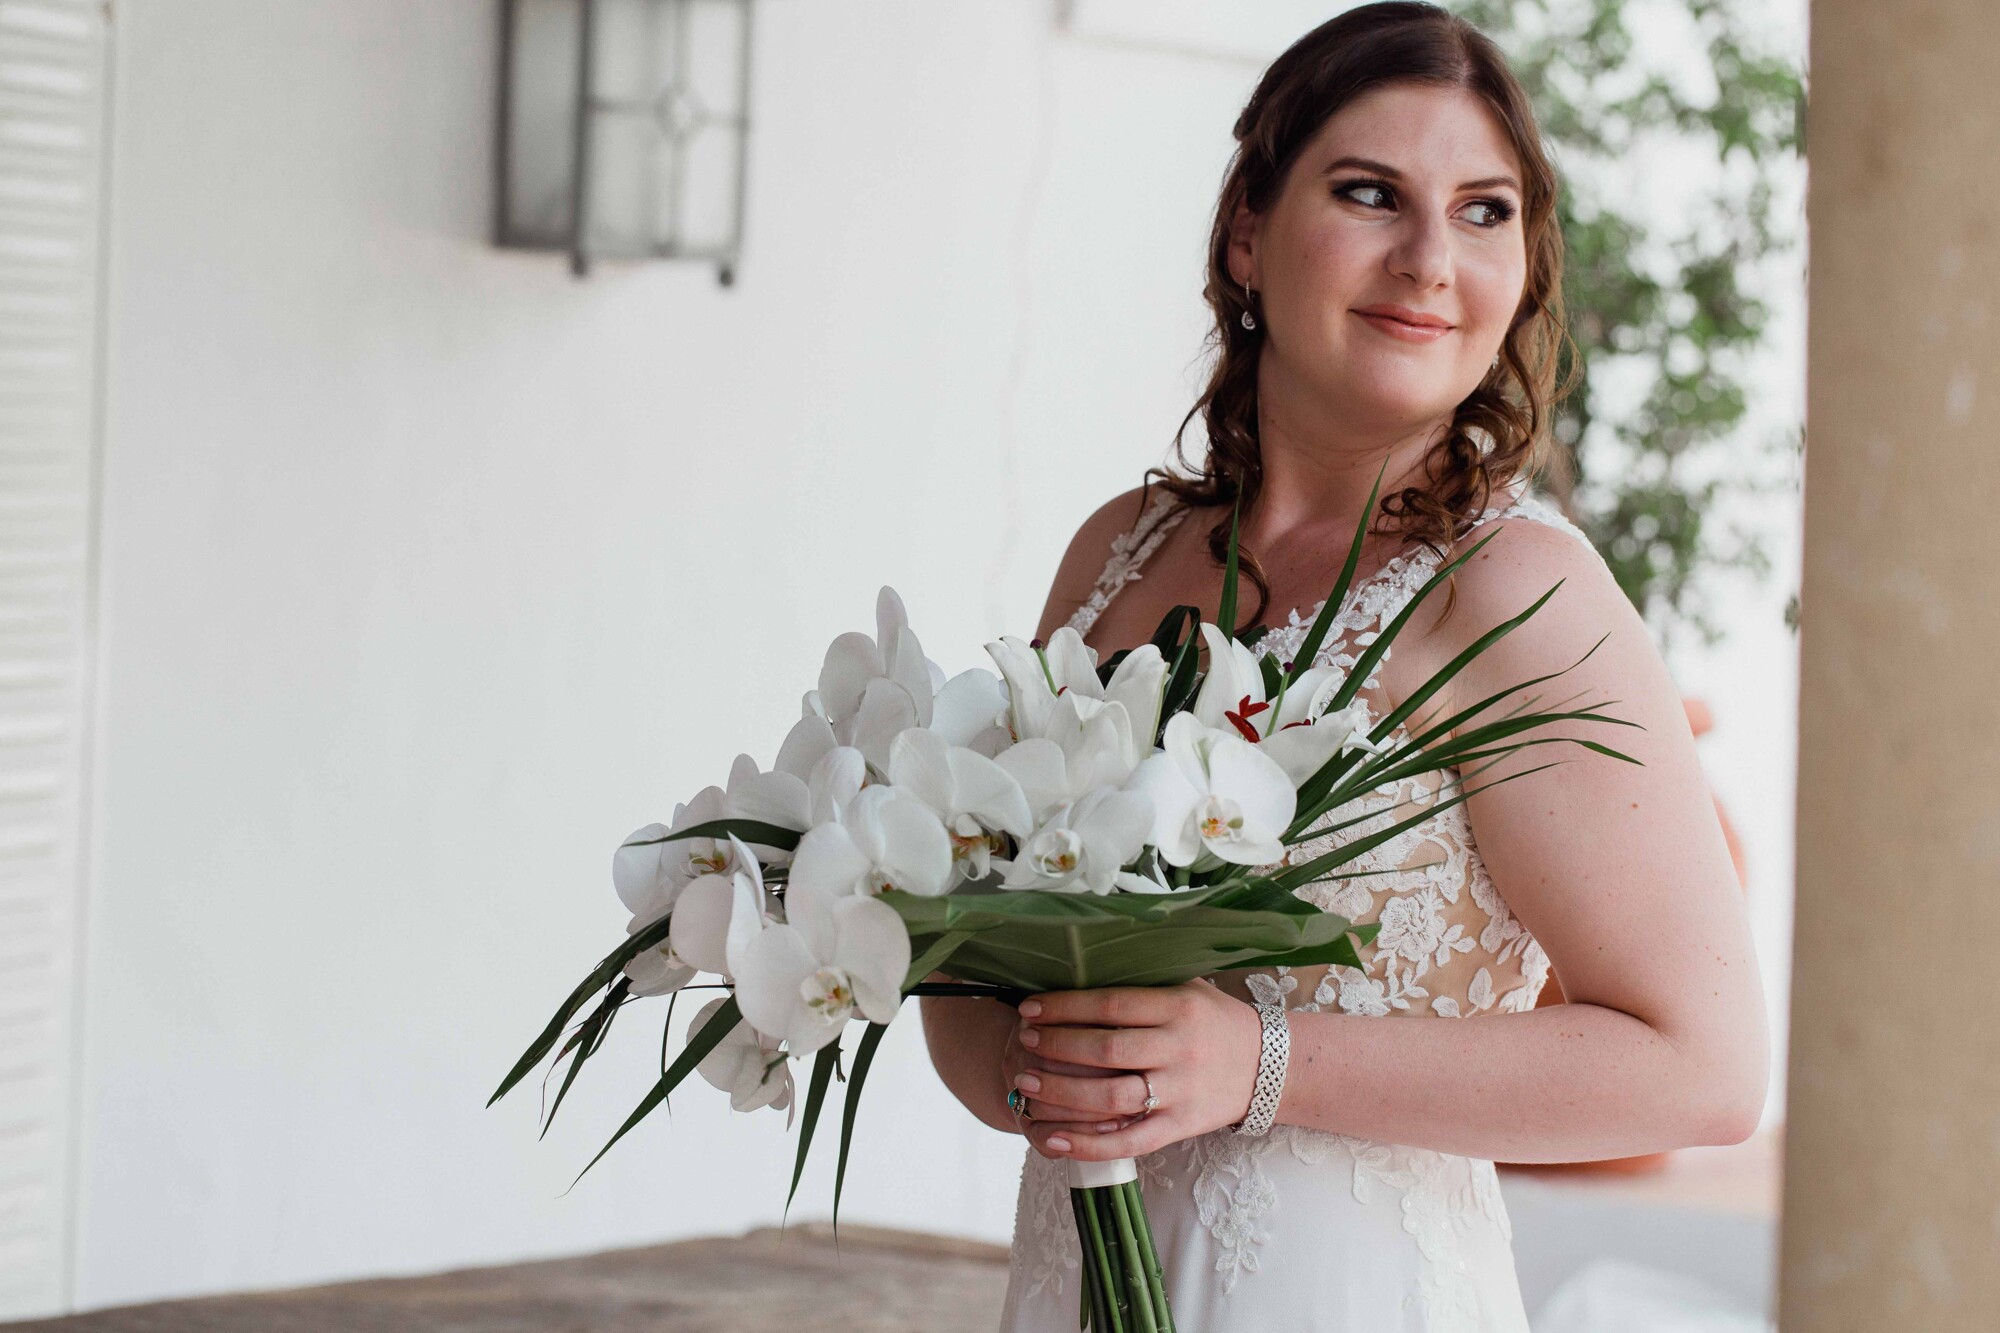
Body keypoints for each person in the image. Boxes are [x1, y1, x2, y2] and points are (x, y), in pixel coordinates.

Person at [918, 4, 1769, 1329]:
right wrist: (1039, 1072)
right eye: (1373, 194)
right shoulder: (1120, 551)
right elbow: (977, 964)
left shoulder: (1518, 597)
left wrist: (1258, 1062)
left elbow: (1702, 1068)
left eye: (1486, 212)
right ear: (1247, 232)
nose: (1431, 258)